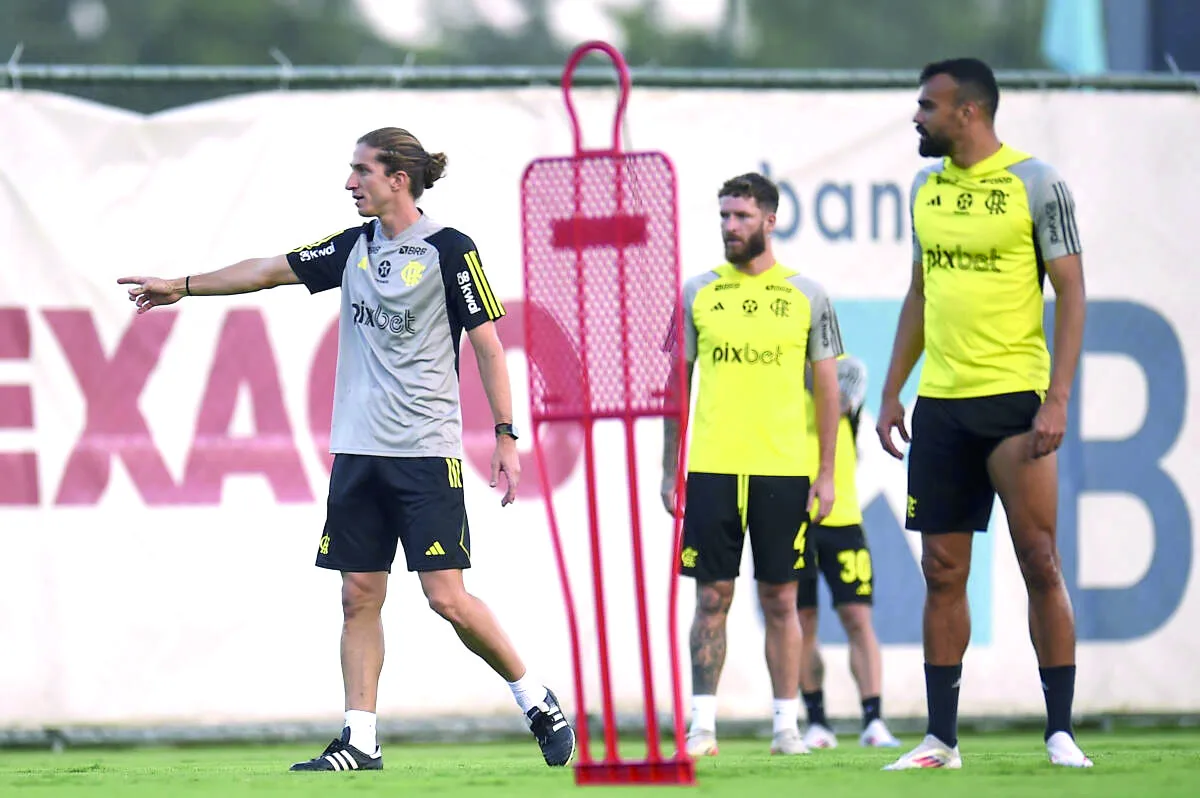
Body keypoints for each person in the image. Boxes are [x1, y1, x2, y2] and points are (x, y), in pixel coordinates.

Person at [118, 127, 575, 772]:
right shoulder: (353, 248)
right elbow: (272, 269)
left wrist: (506, 434)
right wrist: (183, 286)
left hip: (424, 454)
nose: (349, 181)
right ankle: (360, 739)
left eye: (362, 170)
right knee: (359, 594)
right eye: (351, 169)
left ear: (399, 179)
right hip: (358, 454)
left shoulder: (450, 250)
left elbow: (489, 346)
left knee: (445, 597)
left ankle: (537, 700)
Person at [875, 58, 1091, 769]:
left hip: (1014, 404)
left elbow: (1072, 291)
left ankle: (1059, 730)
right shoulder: (924, 189)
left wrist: (1057, 397)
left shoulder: (1036, 183)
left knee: (1040, 561)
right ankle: (942, 739)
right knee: (942, 570)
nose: (917, 117)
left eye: (927, 107)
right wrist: (890, 390)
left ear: (968, 112)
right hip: (942, 404)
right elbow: (919, 294)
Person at [660, 172, 843, 757]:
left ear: (769, 220)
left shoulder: (808, 295)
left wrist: (828, 471)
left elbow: (827, 391)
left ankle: (787, 726)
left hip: (782, 471)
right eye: (723, 216)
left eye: (740, 216)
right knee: (711, 598)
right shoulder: (696, 292)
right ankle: (702, 728)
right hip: (713, 469)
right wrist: (671, 470)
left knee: (781, 600)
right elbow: (675, 388)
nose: (729, 227)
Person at [795, 354, 901, 751]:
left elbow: (837, 396)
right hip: (794, 518)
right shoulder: (780, 371)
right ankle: (816, 722)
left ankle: (874, 720)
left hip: (843, 515)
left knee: (858, 618)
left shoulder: (843, 368)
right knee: (802, 623)